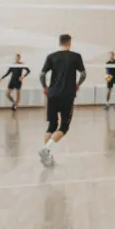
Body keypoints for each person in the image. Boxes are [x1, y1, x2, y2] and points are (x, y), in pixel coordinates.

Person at [38, 34, 86, 166]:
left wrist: (45, 87)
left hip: (52, 94)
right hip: (67, 95)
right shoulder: (76, 56)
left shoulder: (51, 56)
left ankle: (47, 156)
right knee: (64, 126)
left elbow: (42, 74)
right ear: (69, 43)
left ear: (59, 42)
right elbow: (83, 74)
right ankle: (45, 149)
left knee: (51, 126)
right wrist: (78, 84)